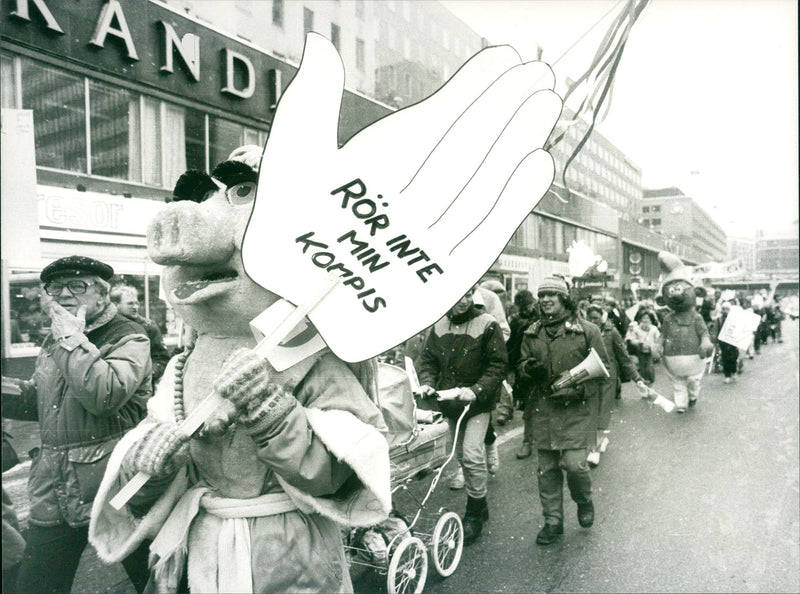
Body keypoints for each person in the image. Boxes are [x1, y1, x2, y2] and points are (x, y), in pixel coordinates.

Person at [2, 256, 153, 594]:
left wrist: (71, 339)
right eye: (56, 287)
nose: (65, 295)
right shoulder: (57, 338)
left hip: (113, 488)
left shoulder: (129, 336)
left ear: (103, 295)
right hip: (53, 486)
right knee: (37, 586)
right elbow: (42, 400)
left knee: (155, 580)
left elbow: (105, 394)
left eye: (77, 286)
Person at [516, 275, 609, 545]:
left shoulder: (587, 330)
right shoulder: (532, 332)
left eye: (551, 295)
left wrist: (578, 390)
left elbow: (603, 372)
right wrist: (525, 369)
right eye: (541, 295)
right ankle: (553, 521)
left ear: (564, 299)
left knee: (575, 465)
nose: (545, 300)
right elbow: (520, 366)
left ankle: (584, 501)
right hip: (543, 410)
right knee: (546, 470)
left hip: (576, 412)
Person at [418, 287, 507, 545]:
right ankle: (481, 503)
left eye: (468, 295)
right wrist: (427, 382)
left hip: (477, 403)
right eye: (458, 296)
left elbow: (498, 365)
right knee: (457, 456)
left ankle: (474, 512)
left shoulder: (487, 324)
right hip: (449, 402)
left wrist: (476, 390)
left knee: (471, 454)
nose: (463, 301)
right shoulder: (438, 325)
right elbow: (428, 361)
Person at [585, 304, 646, 466]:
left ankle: (595, 450)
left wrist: (637, 378)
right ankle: (599, 442)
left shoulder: (611, 333)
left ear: (602, 317)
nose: (593, 321)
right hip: (590, 377)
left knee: (602, 413)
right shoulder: (584, 331)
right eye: (589, 318)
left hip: (607, 378)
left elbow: (624, 358)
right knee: (590, 412)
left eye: (596, 318)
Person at [111, 285, 171, 386]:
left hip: (141, 388)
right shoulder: (108, 326)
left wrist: (147, 376)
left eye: (136, 303)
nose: (135, 307)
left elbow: (161, 359)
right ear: (116, 304)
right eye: (130, 304)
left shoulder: (148, 326)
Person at [505, 290, 540, 460]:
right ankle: (527, 442)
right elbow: (511, 345)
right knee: (529, 407)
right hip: (525, 368)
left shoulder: (542, 317)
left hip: (542, 363)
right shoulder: (517, 321)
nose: (526, 309)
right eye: (523, 307)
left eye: (528, 305)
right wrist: (512, 368)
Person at [626, 310, 661, 385]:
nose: (645, 320)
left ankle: (650, 384)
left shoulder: (653, 329)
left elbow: (658, 338)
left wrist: (654, 346)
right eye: (644, 318)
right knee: (642, 369)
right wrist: (639, 342)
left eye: (647, 318)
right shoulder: (636, 329)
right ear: (640, 319)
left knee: (650, 369)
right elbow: (631, 338)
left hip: (650, 351)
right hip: (640, 351)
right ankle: (644, 387)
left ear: (650, 319)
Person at [709, 301, 740, 383]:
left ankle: (734, 371)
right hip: (722, 342)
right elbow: (715, 330)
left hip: (732, 341)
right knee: (725, 358)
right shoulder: (719, 319)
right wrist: (715, 340)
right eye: (723, 309)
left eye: (727, 309)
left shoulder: (734, 319)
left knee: (733, 357)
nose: (725, 311)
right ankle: (727, 375)